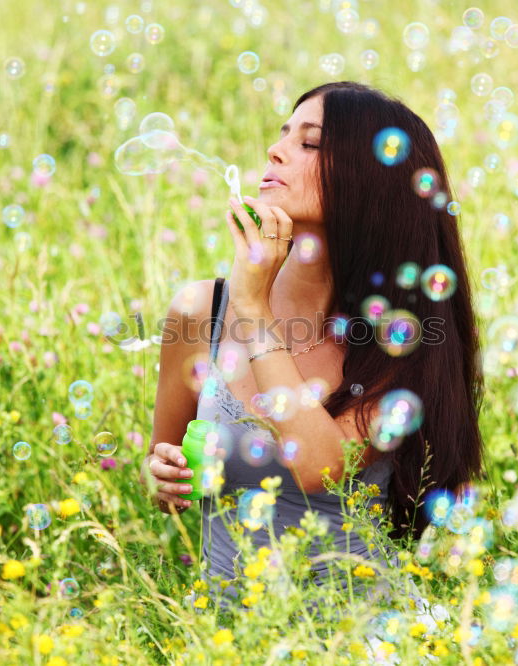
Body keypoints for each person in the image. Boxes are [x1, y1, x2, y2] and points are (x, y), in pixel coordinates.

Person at [141, 80, 483, 644]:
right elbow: (164, 474)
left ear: (368, 180)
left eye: (310, 142)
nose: (276, 151)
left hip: (363, 638)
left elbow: (318, 463)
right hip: (233, 641)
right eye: (282, 134)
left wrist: (253, 309)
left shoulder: (401, 340)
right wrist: (162, 476)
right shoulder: (200, 310)